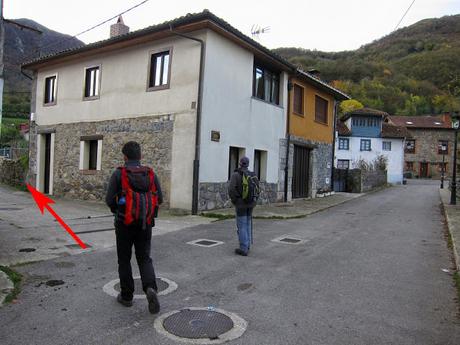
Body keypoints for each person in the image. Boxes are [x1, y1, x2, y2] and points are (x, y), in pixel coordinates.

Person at [105, 141, 163, 314]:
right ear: (140, 156)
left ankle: (127, 296)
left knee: (124, 259)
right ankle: (150, 288)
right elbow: (159, 198)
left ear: (124, 157)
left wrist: (118, 211)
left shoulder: (118, 174)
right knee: (144, 258)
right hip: (145, 224)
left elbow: (109, 200)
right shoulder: (150, 174)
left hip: (124, 224)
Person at [228, 156, 257, 256]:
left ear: (240, 163)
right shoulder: (252, 174)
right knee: (248, 224)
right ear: (248, 164)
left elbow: (231, 189)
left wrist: (235, 201)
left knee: (241, 226)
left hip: (241, 205)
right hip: (251, 204)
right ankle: (247, 245)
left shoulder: (236, 175)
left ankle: (243, 248)